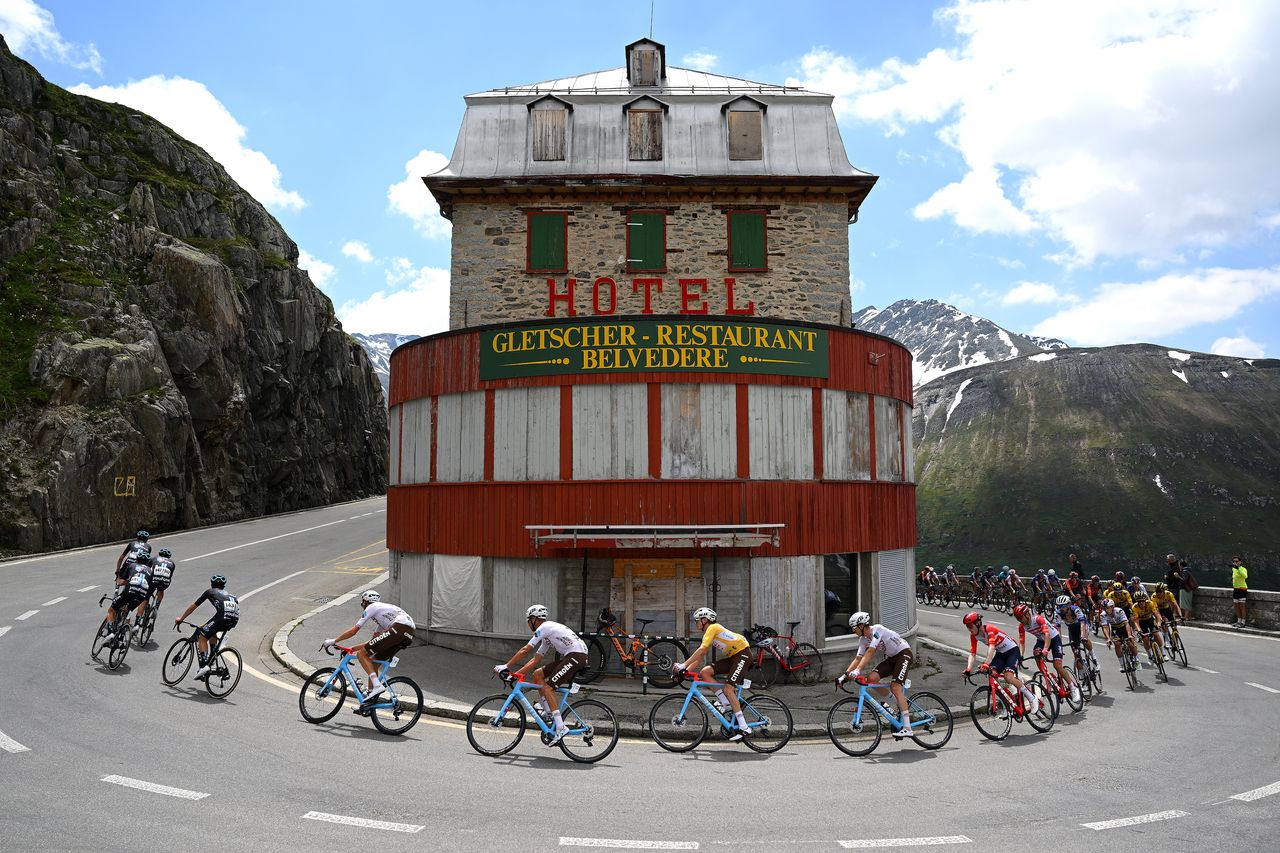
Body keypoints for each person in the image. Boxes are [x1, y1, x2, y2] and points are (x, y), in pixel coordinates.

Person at [493, 605, 587, 745]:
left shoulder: (544, 627)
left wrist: (506, 666)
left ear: (534, 619)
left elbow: (526, 650)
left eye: (529, 620)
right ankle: (548, 713)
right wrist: (515, 675)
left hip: (576, 656)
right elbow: (535, 660)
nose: (528, 622)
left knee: (548, 688)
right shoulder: (547, 635)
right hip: (572, 656)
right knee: (538, 674)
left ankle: (561, 727)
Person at [672, 607, 752, 743]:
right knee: (705, 672)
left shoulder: (713, 627)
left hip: (743, 654)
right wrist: (685, 672)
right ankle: (726, 703)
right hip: (734, 657)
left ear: (705, 620)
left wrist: (683, 665)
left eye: (697, 621)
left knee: (728, 688)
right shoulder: (709, 633)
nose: (696, 623)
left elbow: (702, 651)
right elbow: (700, 656)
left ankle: (744, 727)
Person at [325, 590, 417, 706]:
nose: (362, 606)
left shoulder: (372, 607)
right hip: (407, 632)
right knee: (373, 661)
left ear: (365, 602)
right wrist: (351, 648)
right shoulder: (383, 619)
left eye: (362, 603)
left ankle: (377, 686)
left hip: (399, 628)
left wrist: (333, 641)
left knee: (362, 654)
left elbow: (354, 630)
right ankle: (370, 699)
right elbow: (372, 642)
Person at [837, 612, 916, 738]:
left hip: (904, 654)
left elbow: (870, 652)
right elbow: (858, 659)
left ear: (862, 625)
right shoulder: (863, 640)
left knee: (895, 687)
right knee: (872, 679)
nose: (853, 631)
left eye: (854, 628)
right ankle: (899, 701)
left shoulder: (877, 630)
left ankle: (907, 727)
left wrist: (857, 671)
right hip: (892, 658)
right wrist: (843, 677)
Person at [962, 611, 1044, 717]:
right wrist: (968, 669)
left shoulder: (989, 629)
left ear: (977, 623)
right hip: (1000, 653)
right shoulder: (974, 636)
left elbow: (991, 647)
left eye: (970, 625)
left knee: (1008, 677)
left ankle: (1032, 698)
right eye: (967, 626)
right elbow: (972, 653)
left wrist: (986, 663)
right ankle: (1007, 703)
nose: (968, 628)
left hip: (1012, 651)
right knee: (992, 675)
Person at [174, 575, 240, 681]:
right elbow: (221, 615)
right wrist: (205, 625)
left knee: (202, 637)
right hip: (233, 620)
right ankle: (212, 656)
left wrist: (181, 618)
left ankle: (204, 666)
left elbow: (193, 606)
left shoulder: (210, 592)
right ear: (223, 586)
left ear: (212, 584)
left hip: (222, 618)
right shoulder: (232, 596)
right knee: (211, 631)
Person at [1014, 603, 1081, 704]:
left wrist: (1045, 650)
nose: (1020, 620)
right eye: (1017, 618)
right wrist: (1020, 656)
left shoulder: (1038, 619)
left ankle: (1073, 687)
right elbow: (1022, 642)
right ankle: (1049, 677)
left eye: (1020, 618)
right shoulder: (1021, 626)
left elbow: (1047, 634)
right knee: (1036, 653)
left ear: (1027, 614)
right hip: (1041, 640)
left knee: (1057, 665)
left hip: (1053, 638)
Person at [1055, 594, 1099, 689]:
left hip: (1082, 626)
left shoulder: (1076, 609)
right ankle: (1083, 679)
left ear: (1068, 605)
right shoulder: (1058, 613)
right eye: (1059, 606)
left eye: (1062, 606)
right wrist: (1059, 644)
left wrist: (1083, 636)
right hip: (1072, 630)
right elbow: (1057, 629)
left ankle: (1093, 656)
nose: (1061, 608)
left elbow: (1083, 623)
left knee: (1085, 640)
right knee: (1076, 654)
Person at [105, 558, 151, 645]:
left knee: (111, 610)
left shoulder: (132, 565)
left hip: (129, 592)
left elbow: (122, 582)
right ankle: (121, 635)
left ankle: (110, 633)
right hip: (141, 596)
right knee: (127, 610)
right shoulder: (150, 570)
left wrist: (119, 582)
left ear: (137, 560)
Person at [136, 547, 176, 626]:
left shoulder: (154, 558)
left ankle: (137, 622)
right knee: (161, 590)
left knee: (145, 599)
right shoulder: (172, 563)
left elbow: (146, 569)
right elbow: (170, 575)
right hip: (165, 582)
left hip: (153, 580)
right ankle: (156, 606)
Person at [1098, 598, 1138, 673]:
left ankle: (1137, 660)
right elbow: (1105, 628)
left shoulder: (1119, 611)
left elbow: (1126, 624)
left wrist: (1129, 635)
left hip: (1124, 627)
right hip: (1115, 628)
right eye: (1104, 609)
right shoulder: (1103, 615)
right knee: (1117, 644)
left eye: (1107, 608)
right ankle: (1122, 664)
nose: (1106, 610)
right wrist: (1108, 638)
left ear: (1112, 607)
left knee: (1130, 643)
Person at [1128, 589, 1165, 665]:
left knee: (1156, 634)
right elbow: (1136, 622)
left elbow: (1157, 615)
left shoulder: (1150, 603)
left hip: (1150, 620)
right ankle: (1149, 656)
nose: (1141, 603)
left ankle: (1163, 654)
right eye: (1139, 601)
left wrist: (1158, 624)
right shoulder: (1135, 607)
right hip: (1141, 622)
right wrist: (1139, 630)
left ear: (1145, 600)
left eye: (1142, 601)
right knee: (1145, 639)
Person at [1231, 556, 1249, 628]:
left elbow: (1245, 576)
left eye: (1236, 561)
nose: (1235, 562)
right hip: (1236, 589)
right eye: (1234, 561)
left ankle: (1243, 622)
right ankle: (1239, 621)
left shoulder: (1243, 569)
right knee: (1236, 606)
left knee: (1242, 606)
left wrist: (1238, 568)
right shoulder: (1233, 569)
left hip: (1242, 589)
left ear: (1240, 562)